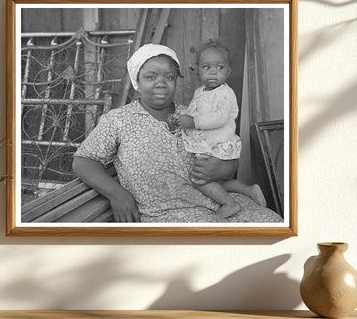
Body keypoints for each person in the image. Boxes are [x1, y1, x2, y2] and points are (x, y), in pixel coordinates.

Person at [72, 43, 281, 224]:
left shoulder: (193, 113)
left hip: (223, 202)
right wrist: (116, 193)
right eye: (150, 77)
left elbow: (227, 149)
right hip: (171, 214)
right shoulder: (118, 120)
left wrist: (226, 166)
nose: (161, 83)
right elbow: (83, 160)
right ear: (137, 81)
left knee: (273, 223)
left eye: (169, 77)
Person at [172, 40, 267, 218]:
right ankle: (249, 190)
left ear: (228, 71)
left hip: (218, 144)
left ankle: (230, 204)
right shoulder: (200, 91)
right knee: (217, 181)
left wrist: (193, 121)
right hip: (208, 143)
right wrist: (183, 117)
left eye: (220, 67)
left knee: (199, 180)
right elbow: (194, 109)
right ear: (198, 70)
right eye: (207, 67)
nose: (213, 72)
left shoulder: (225, 93)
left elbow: (219, 117)